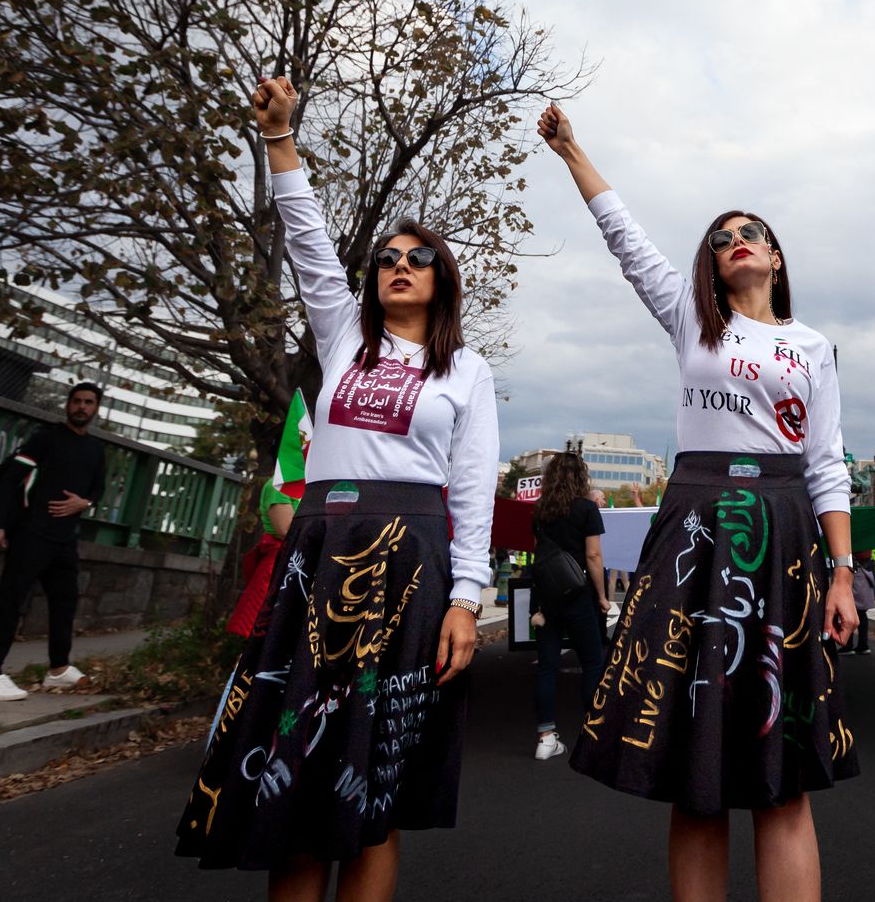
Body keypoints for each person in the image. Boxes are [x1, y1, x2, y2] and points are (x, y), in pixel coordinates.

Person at [175, 76, 499, 900]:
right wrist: (279, 138)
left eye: (417, 257)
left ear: (444, 278)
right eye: (386, 258)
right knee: (294, 771)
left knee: (371, 788)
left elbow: (471, 491)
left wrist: (466, 598)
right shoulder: (343, 336)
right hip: (318, 552)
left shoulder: (467, 369)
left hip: (411, 566)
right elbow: (310, 240)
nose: (398, 265)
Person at [539, 103, 859, 902]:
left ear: (777, 258)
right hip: (696, 526)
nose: (734, 240)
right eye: (719, 238)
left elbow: (826, 464)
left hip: (785, 530)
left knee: (782, 774)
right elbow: (625, 238)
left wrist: (845, 572)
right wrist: (574, 150)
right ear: (709, 269)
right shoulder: (692, 322)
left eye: (750, 231)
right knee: (694, 766)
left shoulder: (813, 346)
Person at [0, 382, 108, 701]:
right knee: (9, 601)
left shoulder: (96, 450)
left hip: (64, 540)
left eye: (88, 402)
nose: (82, 407)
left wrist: (84, 503)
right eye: (77, 401)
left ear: (96, 408)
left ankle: (58, 670)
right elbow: (10, 479)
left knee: (65, 602)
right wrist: (1, 524)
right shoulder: (46, 438)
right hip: (31, 533)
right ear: (68, 404)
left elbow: (98, 489)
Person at [532, 455, 610, 761]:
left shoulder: (540, 509)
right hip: (578, 596)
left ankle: (545, 737)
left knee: (547, 666)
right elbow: (593, 556)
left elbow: (538, 552)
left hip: (547, 599)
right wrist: (602, 597)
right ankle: (591, 736)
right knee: (592, 661)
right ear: (581, 477)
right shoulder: (587, 508)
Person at [225, 480, 298, 638]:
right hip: (281, 564)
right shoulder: (279, 483)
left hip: (298, 564)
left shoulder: (314, 482)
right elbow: (286, 530)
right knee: (264, 630)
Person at [850, 550, 875, 655]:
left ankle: (849, 645)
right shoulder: (867, 547)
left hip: (857, 575)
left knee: (852, 613)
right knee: (862, 615)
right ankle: (862, 645)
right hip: (864, 574)